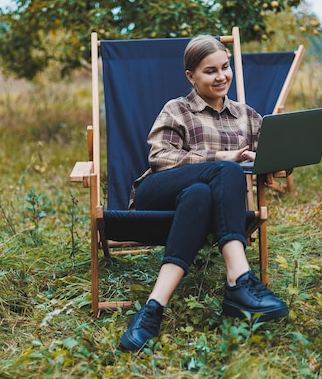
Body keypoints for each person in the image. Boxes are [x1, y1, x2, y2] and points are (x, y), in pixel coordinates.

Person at [120, 35, 288, 352]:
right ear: (191, 76)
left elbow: (278, 162)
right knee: (226, 170)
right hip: (155, 197)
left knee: (199, 192)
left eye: (225, 67)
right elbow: (160, 158)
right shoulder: (178, 109)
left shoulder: (247, 116)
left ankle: (152, 310)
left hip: (197, 208)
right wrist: (220, 158)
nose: (221, 76)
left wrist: (268, 159)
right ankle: (239, 280)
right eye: (210, 71)